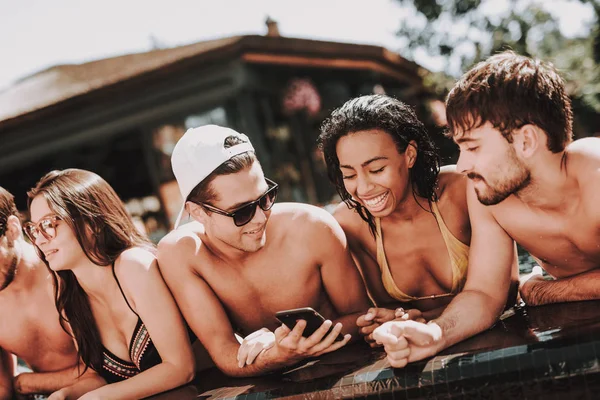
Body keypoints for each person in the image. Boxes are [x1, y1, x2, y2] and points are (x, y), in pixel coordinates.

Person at [373, 51, 600, 368]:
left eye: (473, 146)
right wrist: (434, 335)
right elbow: (483, 294)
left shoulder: (594, 173)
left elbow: (534, 293)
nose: (462, 165)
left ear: (526, 140)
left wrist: (540, 292)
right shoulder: (490, 197)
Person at [157, 125, 370, 377]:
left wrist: (283, 345)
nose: (260, 218)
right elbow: (224, 352)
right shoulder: (182, 255)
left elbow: (364, 318)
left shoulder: (311, 227)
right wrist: (277, 354)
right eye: (242, 212)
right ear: (197, 212)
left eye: (266, 198)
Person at [318, 94, 490, 347]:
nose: (364, 188)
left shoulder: (461, 191)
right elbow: (381, 311)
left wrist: (423, 319)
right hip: (416, 346)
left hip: (487, 335)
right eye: (349, 174)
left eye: (376, 170)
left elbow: (504, 291)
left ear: (409, 155)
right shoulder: (351, 224)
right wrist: (390, 319)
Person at [26, 169, 195, 399]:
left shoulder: (133, 266)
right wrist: (65, 395)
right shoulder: (66, 293)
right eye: (34, 229)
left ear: (92, 223)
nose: (39, 239)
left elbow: (180, 368)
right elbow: (98, 377)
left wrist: (98, 398)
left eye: (48, 224)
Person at [0, 186, 85, 398]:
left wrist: (26, 382)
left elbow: (107, 369)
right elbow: (4, 390)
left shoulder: (66, 275)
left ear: (12, 229)